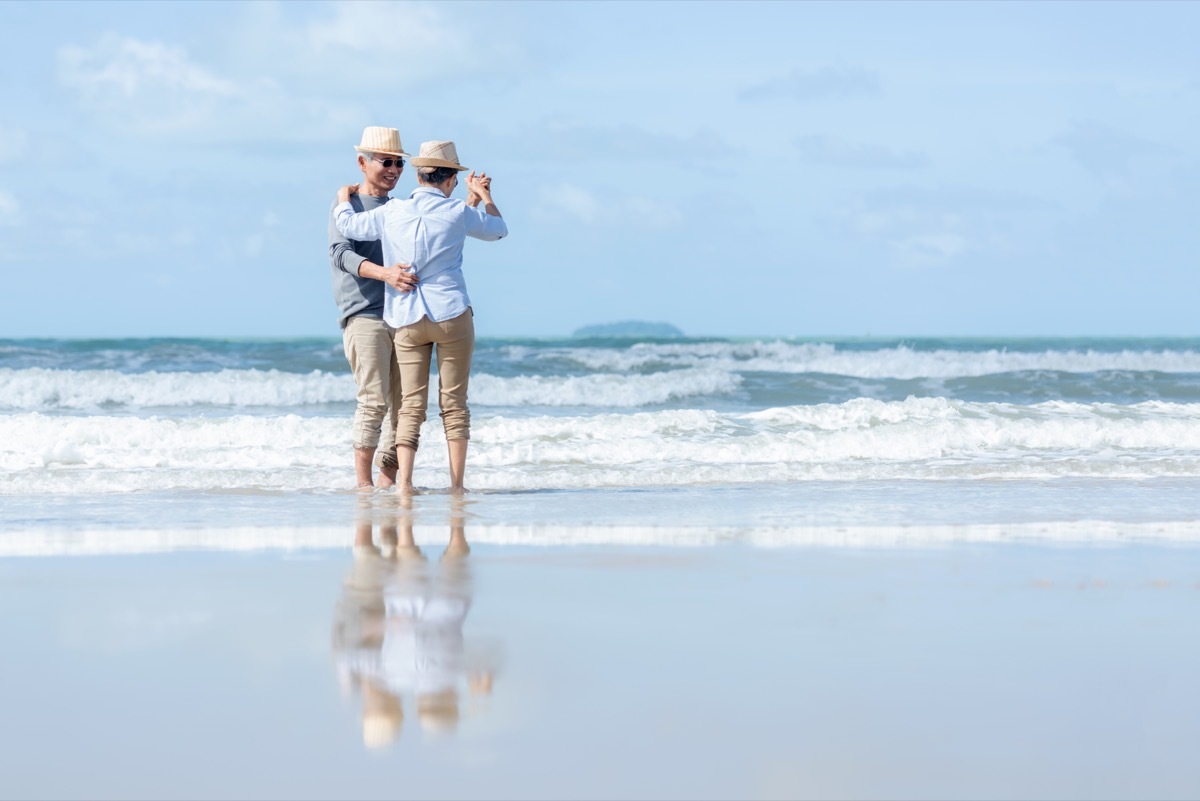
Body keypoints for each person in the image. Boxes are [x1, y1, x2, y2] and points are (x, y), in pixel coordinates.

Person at [334, 140, 507, 493]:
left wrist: (341, 200)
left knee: (410, 406)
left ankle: (405, 484)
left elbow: (350, 227)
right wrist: (485, 197)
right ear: (450, 180)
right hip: (451, 313)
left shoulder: (393, 210)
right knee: (454, 404)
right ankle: (457, 485)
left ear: (417, 174)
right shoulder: (458, 212)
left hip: (406, 315)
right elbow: (497, 229)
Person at [328, 126, 419, 489]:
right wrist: (385, 275)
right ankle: (363, 486)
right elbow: (341, 255)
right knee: (374, 400)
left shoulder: (404, 207)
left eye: (399, 163)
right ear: (362, 163)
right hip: (363, 312)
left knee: (406, 406)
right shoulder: (345, 207)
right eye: (386, 162)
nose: (394, 169)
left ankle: (386, 481)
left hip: (405, 313)